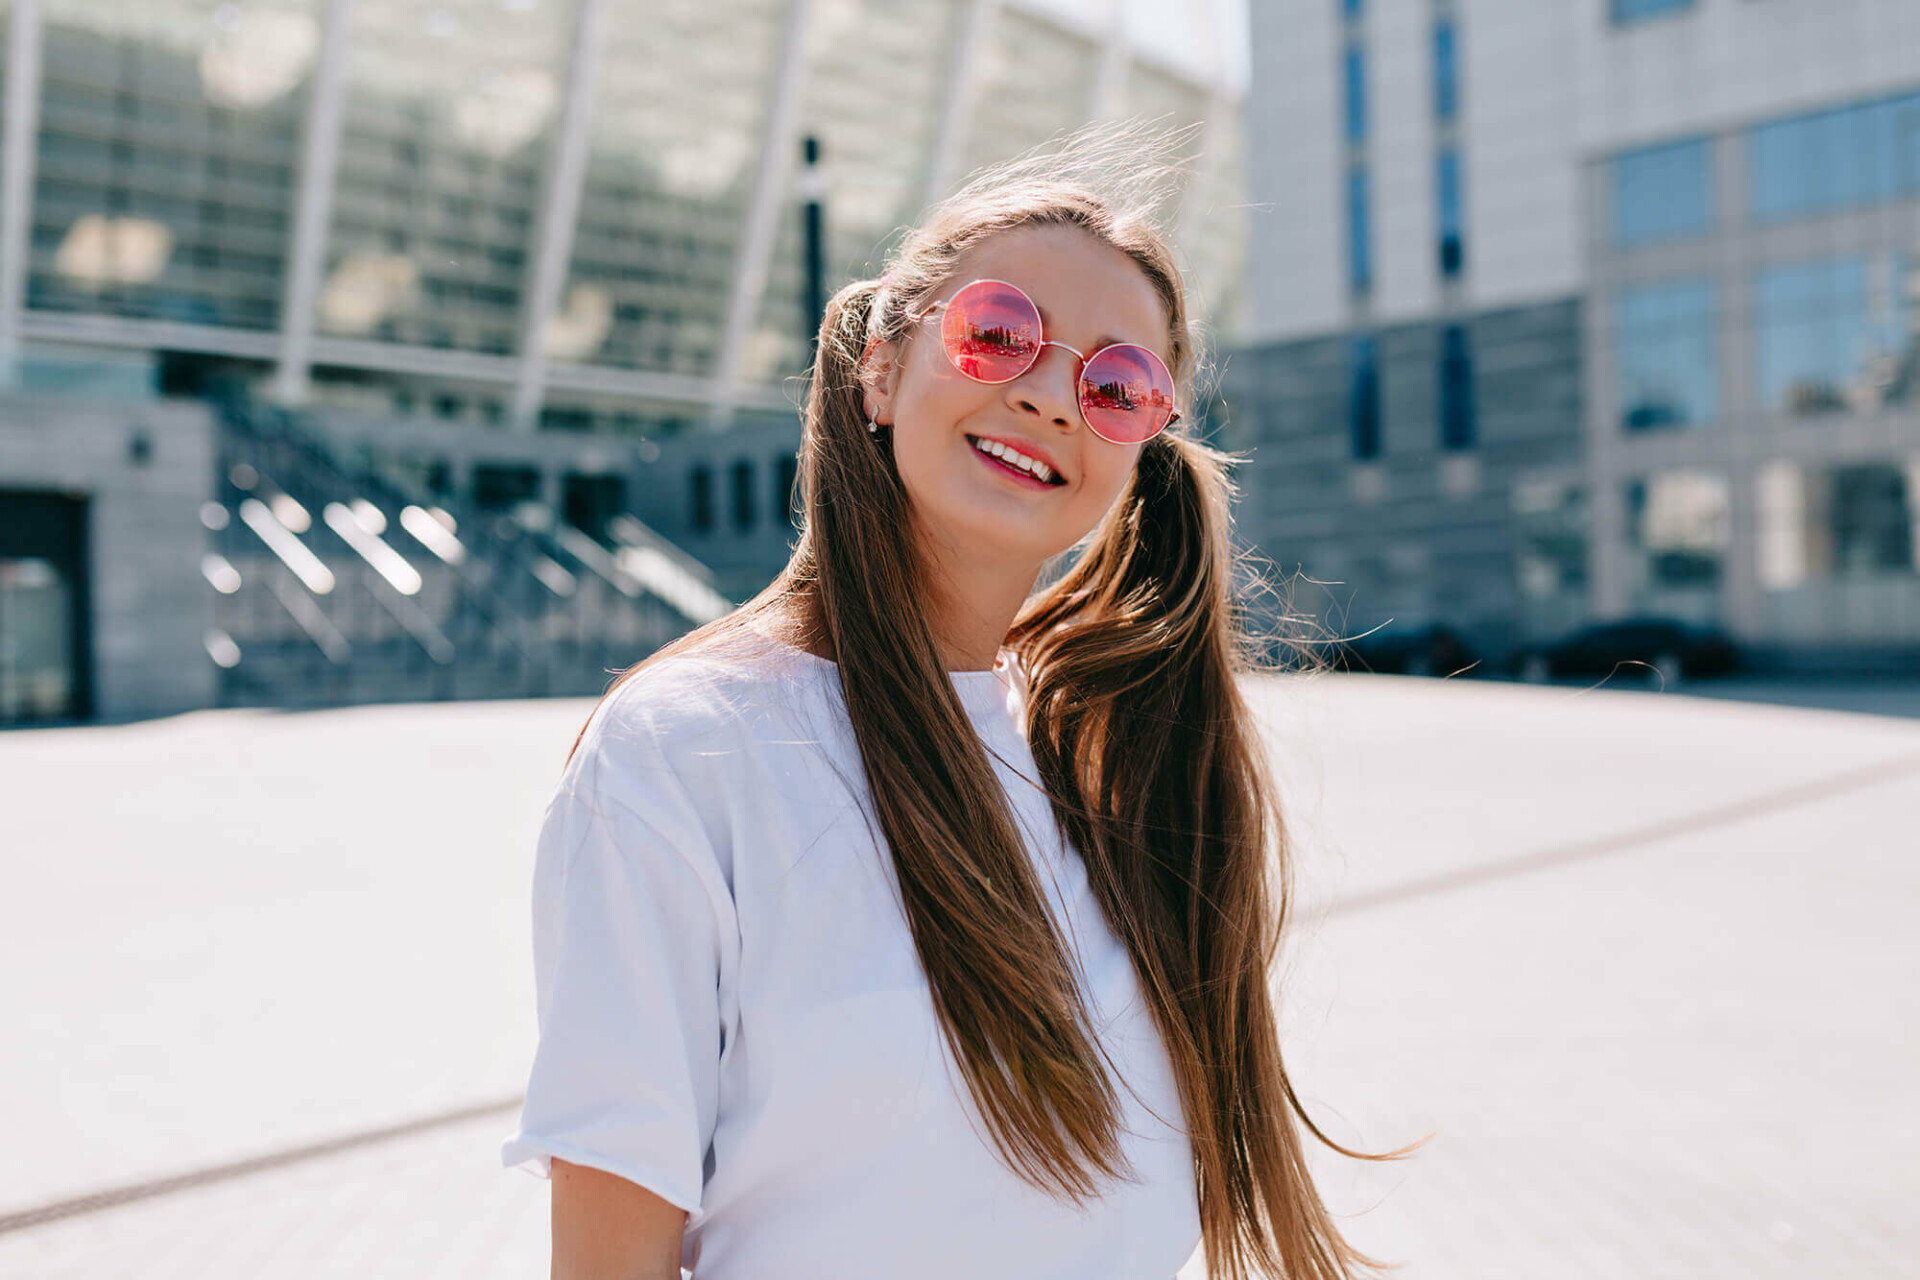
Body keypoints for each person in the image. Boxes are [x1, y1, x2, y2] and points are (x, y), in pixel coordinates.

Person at [500, 126, 1413, 1280]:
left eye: (1116, 384)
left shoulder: (1108, 758)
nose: (1049, 398)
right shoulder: (686, 751)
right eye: (998, 334)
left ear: (1143, 447)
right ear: (882, 365)